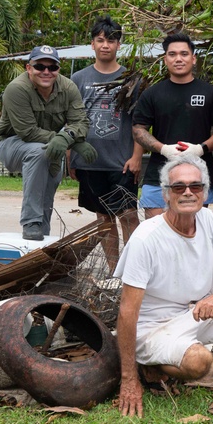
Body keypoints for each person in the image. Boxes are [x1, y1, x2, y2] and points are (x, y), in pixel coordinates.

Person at [114, 156, 213, 418]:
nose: (188, 192)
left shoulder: (208, 220)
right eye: (178, 187)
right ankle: (150, 366)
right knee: (199, 362)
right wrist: (128, 379)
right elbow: (127, 312)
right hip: (155, 329)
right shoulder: (146, 238)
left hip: (196, 314)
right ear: (165, 195)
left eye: (195, 186)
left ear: (205, 192)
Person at [0, 45, 92, 240]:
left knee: (48, 183)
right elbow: (27, 132)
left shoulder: (68, 87)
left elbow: (81, 121)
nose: (46, 72)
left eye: (52, 67)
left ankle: (40, 236)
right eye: (40, 66)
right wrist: (73, 142)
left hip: (49, 147)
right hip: (9, 143)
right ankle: (30, 222)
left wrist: (66, 138)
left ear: (58, 69)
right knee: (39, 152)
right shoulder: (17, 89)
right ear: (29, 68)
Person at [70, 16, 143, 271]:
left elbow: (139, 122)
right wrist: (71, 155)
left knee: (128, 216)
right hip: (91, 161)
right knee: (103, 219)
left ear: (119, 44)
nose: (105, 45)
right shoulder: (79, 79)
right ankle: (113, 271)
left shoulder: (132, 78)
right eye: (100, 40)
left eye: (111, 40)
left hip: (122, 161)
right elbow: (72, 119)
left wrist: (136, 157)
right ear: (92, 44)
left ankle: (133, 270)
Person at [132, 32, 213, 218]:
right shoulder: (152, 94)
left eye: (184, 54)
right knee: (155, 233)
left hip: (198, 175)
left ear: (194, 59)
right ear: (165, 59)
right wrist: (163, 148)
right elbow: (139, 130)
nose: (178, 59)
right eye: (172, 54)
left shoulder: (211, 93)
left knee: (194, 233)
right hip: (158, 175)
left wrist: (201, 149)